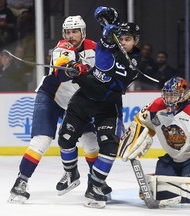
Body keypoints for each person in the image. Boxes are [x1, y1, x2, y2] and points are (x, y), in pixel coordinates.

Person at [55, 6, 141, 208]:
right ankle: (71, 173)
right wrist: (77, 71)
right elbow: (105, 46)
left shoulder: (133, 66)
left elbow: (106, 87)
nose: (123, 42)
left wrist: (83, 76)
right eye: (121, 38)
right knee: (65, 140)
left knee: (110, 147)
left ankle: (95, 184)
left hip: (107, 107)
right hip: (83, 100)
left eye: (128, 39)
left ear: (136, 42)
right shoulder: (107, 44)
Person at [8, 15, 99, 203]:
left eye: (75, 31)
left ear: (83, 32)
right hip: (50, 97)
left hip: (76, 102)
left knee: (91, 140)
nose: (71, 35)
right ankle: (21, 182)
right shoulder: (62, 47)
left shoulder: (95, 49)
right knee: (41, 140)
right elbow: (60, 72)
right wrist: (72, 68)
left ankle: (95, 182)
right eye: (68, 31)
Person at [118, 76, 190, 200]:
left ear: (184, 94)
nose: (169, 99)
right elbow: (141, 122)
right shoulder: (156, 105)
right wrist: (134, 137)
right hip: (171, 159)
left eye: (173, 95)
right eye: (167, 95)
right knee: (163, 195)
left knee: (189, 197)